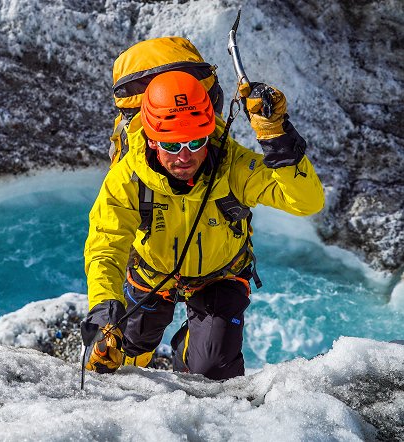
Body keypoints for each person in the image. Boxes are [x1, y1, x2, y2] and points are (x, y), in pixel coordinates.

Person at [83, 70, 324, 380]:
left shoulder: (232, 166)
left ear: (209, 133)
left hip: (219, 274)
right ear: (153, 140)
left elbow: (307, 202)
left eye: (196, 141)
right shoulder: (128, 178)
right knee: (123, 350)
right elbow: (106, 245)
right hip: (152, 270)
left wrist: (278, 138)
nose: (185, 156)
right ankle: (153, 350)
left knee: (212, 370)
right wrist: (104, 312)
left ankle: (188, 350)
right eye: (172, 146)